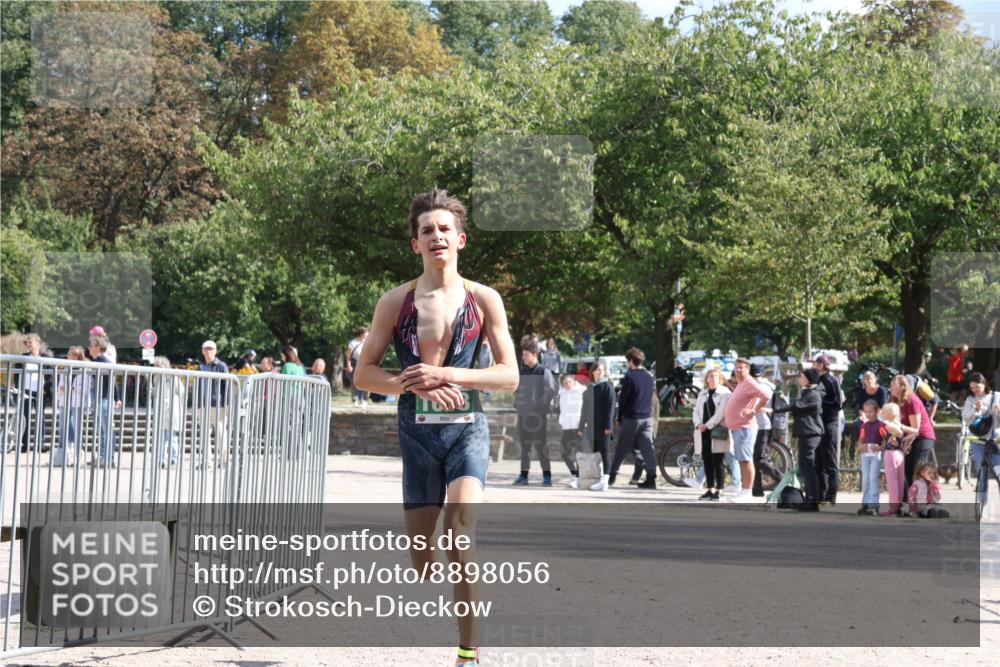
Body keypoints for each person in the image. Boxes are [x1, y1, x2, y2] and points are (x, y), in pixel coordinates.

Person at [351, 188, 518, 666]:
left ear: (461, 240)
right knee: (423, 560)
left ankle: (468, 654)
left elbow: (508, 375)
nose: (437, 236)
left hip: (468, 431)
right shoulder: (395, 301)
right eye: (428, 230)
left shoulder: (484, 300)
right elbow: (365, 374)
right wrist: (416, 385)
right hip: (417, 436)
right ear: (416, 245)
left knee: (458, 536)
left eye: (445, 229)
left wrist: (448, 375)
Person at [768, 368, 823, 511]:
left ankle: (813, 501)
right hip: (805, 433)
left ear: (809, 380)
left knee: (808, 468)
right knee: (805, 467)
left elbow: (795, 406)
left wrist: (774, 410)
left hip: (810, 433)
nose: (800, 379)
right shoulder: (807, 393)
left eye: (803, 377)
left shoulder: (813, 395)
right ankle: (809, 498)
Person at [603, 347, 658, 490]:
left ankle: (611, 475)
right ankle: (651, 478)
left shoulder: (630, 376)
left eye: (628, 361)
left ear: (631, 361)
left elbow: (624, 399)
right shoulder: (649, 376)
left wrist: (619, 416)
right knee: (647, 448)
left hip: (632, 417)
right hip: (647, 417)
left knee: (622, 447)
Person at [723, 358, 772, 503]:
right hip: (738, 427)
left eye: (741, 368)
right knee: (742, 460)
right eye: (736, 367)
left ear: (748, 369)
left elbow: (766, 396)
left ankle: (747, 492)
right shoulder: (741, 383)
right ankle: (744, 490)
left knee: (746, 460)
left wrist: (754, 411)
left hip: (745, 427)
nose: (738, 370)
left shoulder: (750, 382)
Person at [513, 340, 558, 486]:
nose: (523, 358)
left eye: (526, 355)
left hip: (538, 417)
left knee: (541, 446)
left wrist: (537, 408)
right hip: (523, 415)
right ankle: (523, 476)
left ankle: (547, 476)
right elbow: (518, 391)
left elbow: (550, 391)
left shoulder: (544, 371)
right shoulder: (523, 372)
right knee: (525, 446)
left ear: (535, 355)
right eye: (523, 355)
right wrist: (518, 405)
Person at [890, 374, 936, 491]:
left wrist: (906, 443)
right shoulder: (896, 402)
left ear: (902, 387)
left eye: (893, 385)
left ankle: (922, 501)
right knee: (906, 471)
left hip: (923, 437)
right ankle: (906, 503)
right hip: (910, 437)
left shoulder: (911, 400)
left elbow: (916, 428)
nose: (891, 388)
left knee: (917, 470)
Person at [691, 367, 731, 500]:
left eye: (716, 376)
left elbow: (721, 413)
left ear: (720, 379)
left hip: (717, 430)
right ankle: (710, 488)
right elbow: (696, 411)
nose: (713, 379)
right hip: (703, 431)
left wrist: (707, 425)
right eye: (710, 376)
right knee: (707, 460)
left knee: (717, 461)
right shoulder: (702, 393)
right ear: (706, 379)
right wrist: (698, 424)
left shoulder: (724, 393)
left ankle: (720, 490)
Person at [578, 359, 616, 490]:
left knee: (605, 452)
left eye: (603, 370)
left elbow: (611, 408)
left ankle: (605, 481)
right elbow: (584, 409)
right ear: (593, 372)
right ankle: (596, 479)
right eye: (598, 369)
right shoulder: (589, 389)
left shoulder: (607, 387)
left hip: (604, 427)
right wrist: (581, 427)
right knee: (595, 454)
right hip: (591, 427)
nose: (601, 372)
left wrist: (609, 427)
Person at [813, 354, 845, 505]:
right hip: (818, 425)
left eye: (815, 363)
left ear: (821, 365)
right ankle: (820, 493)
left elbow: (838, 403)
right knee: (818, 461)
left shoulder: (832, 380)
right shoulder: (816, 380)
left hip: (829, 424)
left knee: (830, 462)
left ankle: (831, 496)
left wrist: (820, 402)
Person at [52, 346, 90, 466]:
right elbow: (60, 385)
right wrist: (60, 394)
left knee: (78, 427)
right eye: (69, 354)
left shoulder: (85, 368)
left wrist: (71, 388)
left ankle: (79, 454)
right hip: (65, 400)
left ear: (79, 357)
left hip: (78, 402)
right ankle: (62, 455)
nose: (70, 356)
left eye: (74, 354)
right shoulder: (65, 367)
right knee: (63, 426)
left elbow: (86, 387)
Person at [88, 334, 122, 466]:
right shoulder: (98, 362)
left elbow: (112, 381)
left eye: (91, 345)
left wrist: (117, 398)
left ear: (97, 347)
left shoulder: (103, 362)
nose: (89, 347)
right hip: (100, 399)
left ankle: (108, 458)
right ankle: (104, 457)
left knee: (107, 429)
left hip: (104, 399)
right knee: (103, 430)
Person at [962, 372, 1000, 484]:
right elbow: (966, 418)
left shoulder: (997, 396)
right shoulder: (970, 399)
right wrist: (976, 410)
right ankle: (981, 500)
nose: (975, 390)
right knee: (981, 468)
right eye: (972, 388)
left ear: (984, 384)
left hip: (996, 437)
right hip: (977, 438)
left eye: (977, 387)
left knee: (998, 468)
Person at [198, 340, 230, 468]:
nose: (208, 351)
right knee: (204, 434)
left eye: (211, 349)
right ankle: (207, 462)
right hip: (203, 404)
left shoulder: (221, 366)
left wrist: (228, 404)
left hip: (219, 404)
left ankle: (224, 461)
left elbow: (227, 386)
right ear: (202, 351)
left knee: (221, 433)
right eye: (206, 349)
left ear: (216, 351)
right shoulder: (200, 367)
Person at [17, 333, 51, 454]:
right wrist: (17, 388)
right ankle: (24, 444)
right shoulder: (23, 357)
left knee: (40, 417)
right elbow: (17, 373)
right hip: (25, 391)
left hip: (41, 392)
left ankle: (40, 444)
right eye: (27, 343)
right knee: (25, 418)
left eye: (30, 342)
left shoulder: (46, 357)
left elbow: (51, 375)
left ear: (37, 343)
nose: (28, 345)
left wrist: (46, 388)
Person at [152, 356, 185, 468]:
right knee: (161, 438)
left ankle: (174, 459)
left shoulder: (173, 377)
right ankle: (161, 459)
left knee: (172, 438)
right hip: (161, 411)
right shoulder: (156, 378)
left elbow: (181, 391)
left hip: (172, 410)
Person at [856, 400, 887, 516]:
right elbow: (861, 440)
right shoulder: (864, 426)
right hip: (865, 455)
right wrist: (860, 447)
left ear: (877, 412)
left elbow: (886, 441)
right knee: (865, 479)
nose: (868, 414)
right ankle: (865, 503)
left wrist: (879, 448)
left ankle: (873, 505)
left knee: (873, 478)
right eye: (866, 411)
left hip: (875, 455)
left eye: (871, 411)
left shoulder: (881, 425)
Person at [850, 370, 889, 461]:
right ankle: (861, 447)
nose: (869, 381)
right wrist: (865, 417)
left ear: (875, 379)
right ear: (864, 381)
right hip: (866, 415)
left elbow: (881, 408)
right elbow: (860, 408)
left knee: (878, 427)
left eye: (870, 378)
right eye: (866, 379)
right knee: (857, 424)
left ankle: (879, 450)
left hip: (879, 415)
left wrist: (872, 418)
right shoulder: (862, 392)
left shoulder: (881, 391)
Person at [880, 402, 909, 517]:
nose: (882, 413)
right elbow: (913, 432)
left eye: (884, 411)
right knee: (900, 480)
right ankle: (899, 506)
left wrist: (894, 435)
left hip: (891, 453)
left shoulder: (886, 423)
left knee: (892, 482)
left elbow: (898, 432)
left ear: (890, 414)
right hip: (899, 453)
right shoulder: (899, 423)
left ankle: (893, 508)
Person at [557, 374, 585, 488]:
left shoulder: (581, 392)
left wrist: (582, 427)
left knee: (579, 454)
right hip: (567, 428)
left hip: (578, 427)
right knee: (564, 453)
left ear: (574, 382)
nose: (567, 385)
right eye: (565, 383)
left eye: (569, 382)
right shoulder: (562, 393)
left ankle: (578, 478)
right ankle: (575, 474)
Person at [750, 364, 774, 497]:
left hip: (763, 425)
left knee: (759, 459)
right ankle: (757, 489)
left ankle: (782, 479)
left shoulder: (763, 387)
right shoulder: (764, 385)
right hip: (756, 425)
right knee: (755, 458)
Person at [346, 327, 369, 407]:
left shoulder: (367, 342)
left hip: (365, 363)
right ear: (361, 334)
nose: (368, 334)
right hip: (355, 364)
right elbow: (348, 356)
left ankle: (365, 400)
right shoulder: (353, 343)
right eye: (366, 333)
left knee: (366, 382)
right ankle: (355, 400)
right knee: (354, 382)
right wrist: (349, 366)